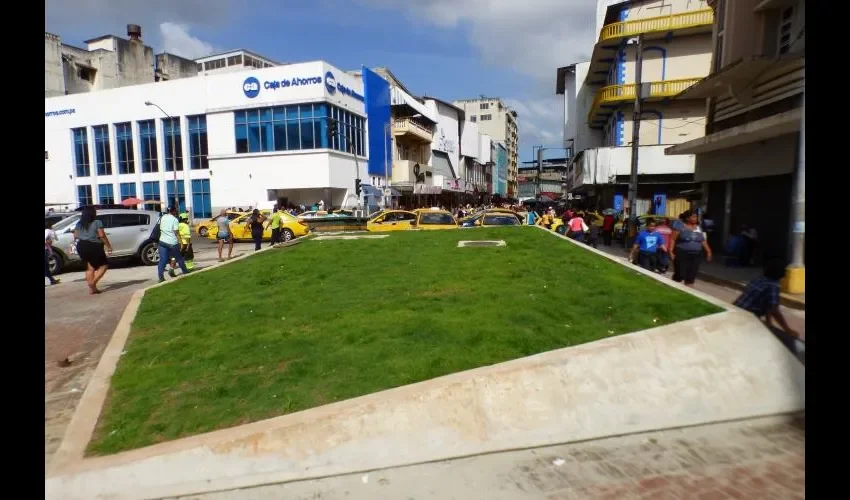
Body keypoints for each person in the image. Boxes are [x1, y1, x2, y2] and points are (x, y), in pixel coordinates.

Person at [734, 258, 803, 356]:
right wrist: (788, 330)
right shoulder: (772, 285)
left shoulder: (759, 279)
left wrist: (769, 323)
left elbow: (767, 305)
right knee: (786, 342)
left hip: (736, 311)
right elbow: (774, 310)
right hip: (746, 317)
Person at [73, 206, 112, 294]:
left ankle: (92, 289)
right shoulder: (97, 222)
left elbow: (75, 236)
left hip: (81, 245)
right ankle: (92, 283)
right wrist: (108, 246)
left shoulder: (79, 223)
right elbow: (101, 235)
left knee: (90, 267)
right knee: (104, 265)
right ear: (92, 213)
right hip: (94, 245)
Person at [670, 210, 712, 287]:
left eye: (696, 217)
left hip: (696, 255)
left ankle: (689, 287)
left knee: (692, 274)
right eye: (694, 217)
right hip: (682, 253)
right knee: (680, 274)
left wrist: (708, 251)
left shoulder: (699, 228)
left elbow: (703, 240)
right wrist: (671, 251)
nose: (696, 218)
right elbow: (672, 239)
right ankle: (674, 285)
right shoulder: (680, 227)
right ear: (687, 218)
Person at [157, 206, 191, 283]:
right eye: (175, 210)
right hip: (172, 242)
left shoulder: (162, 217)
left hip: (162, 241)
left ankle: (160, 277)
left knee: (163, 260)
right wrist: (181, 243)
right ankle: (185, 271)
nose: (176, 212)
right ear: (173, 211)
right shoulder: (175, 220)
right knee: (179, 258)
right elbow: (176, 232)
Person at [45, 221, 60, 285]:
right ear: (51, 225)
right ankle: (52, 280)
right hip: (46, 249)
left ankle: (52, 280)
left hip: (46, 249)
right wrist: (49, 247)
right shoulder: (50, 231)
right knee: (46, 265)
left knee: (46, 266)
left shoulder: (48, 231)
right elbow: (56, 239)